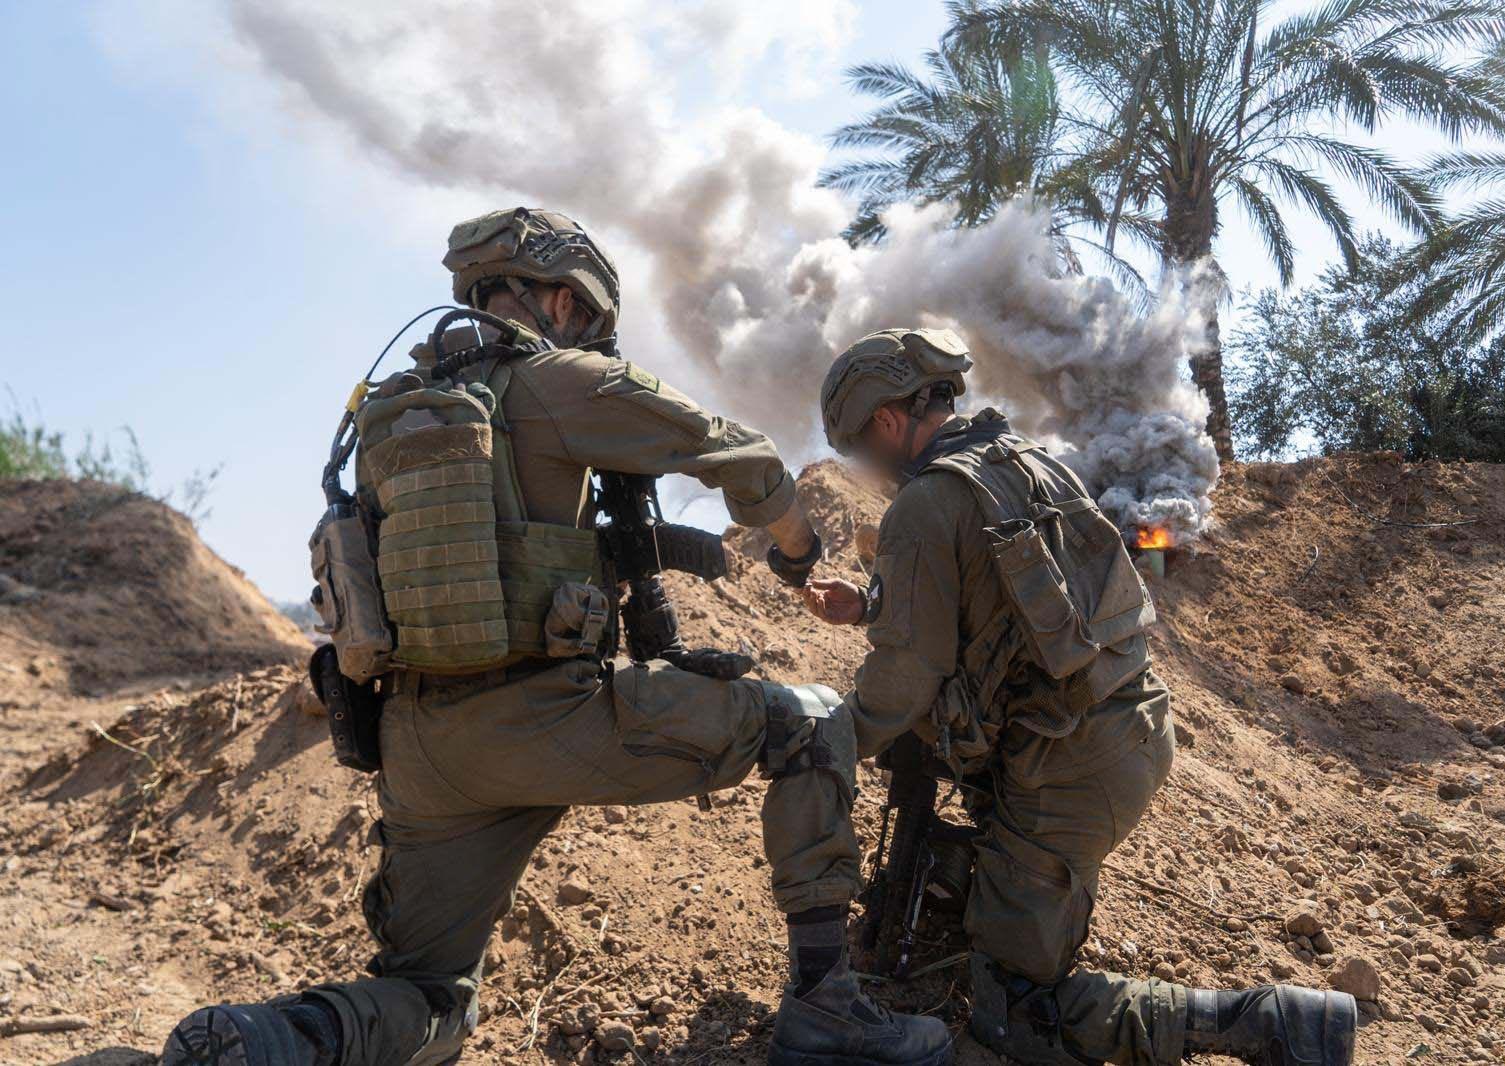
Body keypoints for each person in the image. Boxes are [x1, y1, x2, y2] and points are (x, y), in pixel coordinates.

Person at [160, 210, 951, 1066]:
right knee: (811, 723)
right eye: (590, 320)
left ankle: (280, 1037)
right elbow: (743, 455)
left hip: (420, 747)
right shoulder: (559, 382)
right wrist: (798, 556)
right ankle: (829, 1010)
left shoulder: (387, 415)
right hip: (544, 715)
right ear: (568, 303)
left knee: (434, 997)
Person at [804, 327, 1358, 1066]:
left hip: (1064, 768)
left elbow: (904, 679)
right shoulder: (1029, 463)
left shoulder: (927, 504)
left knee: (1017, 1022)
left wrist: (826, 748)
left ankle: (1273, 1025)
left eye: (860, 452)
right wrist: (872, 604)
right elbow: (1016, 609)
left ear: (885, 421)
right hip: (1122, 731)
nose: (867, 470)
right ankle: (977, 896)